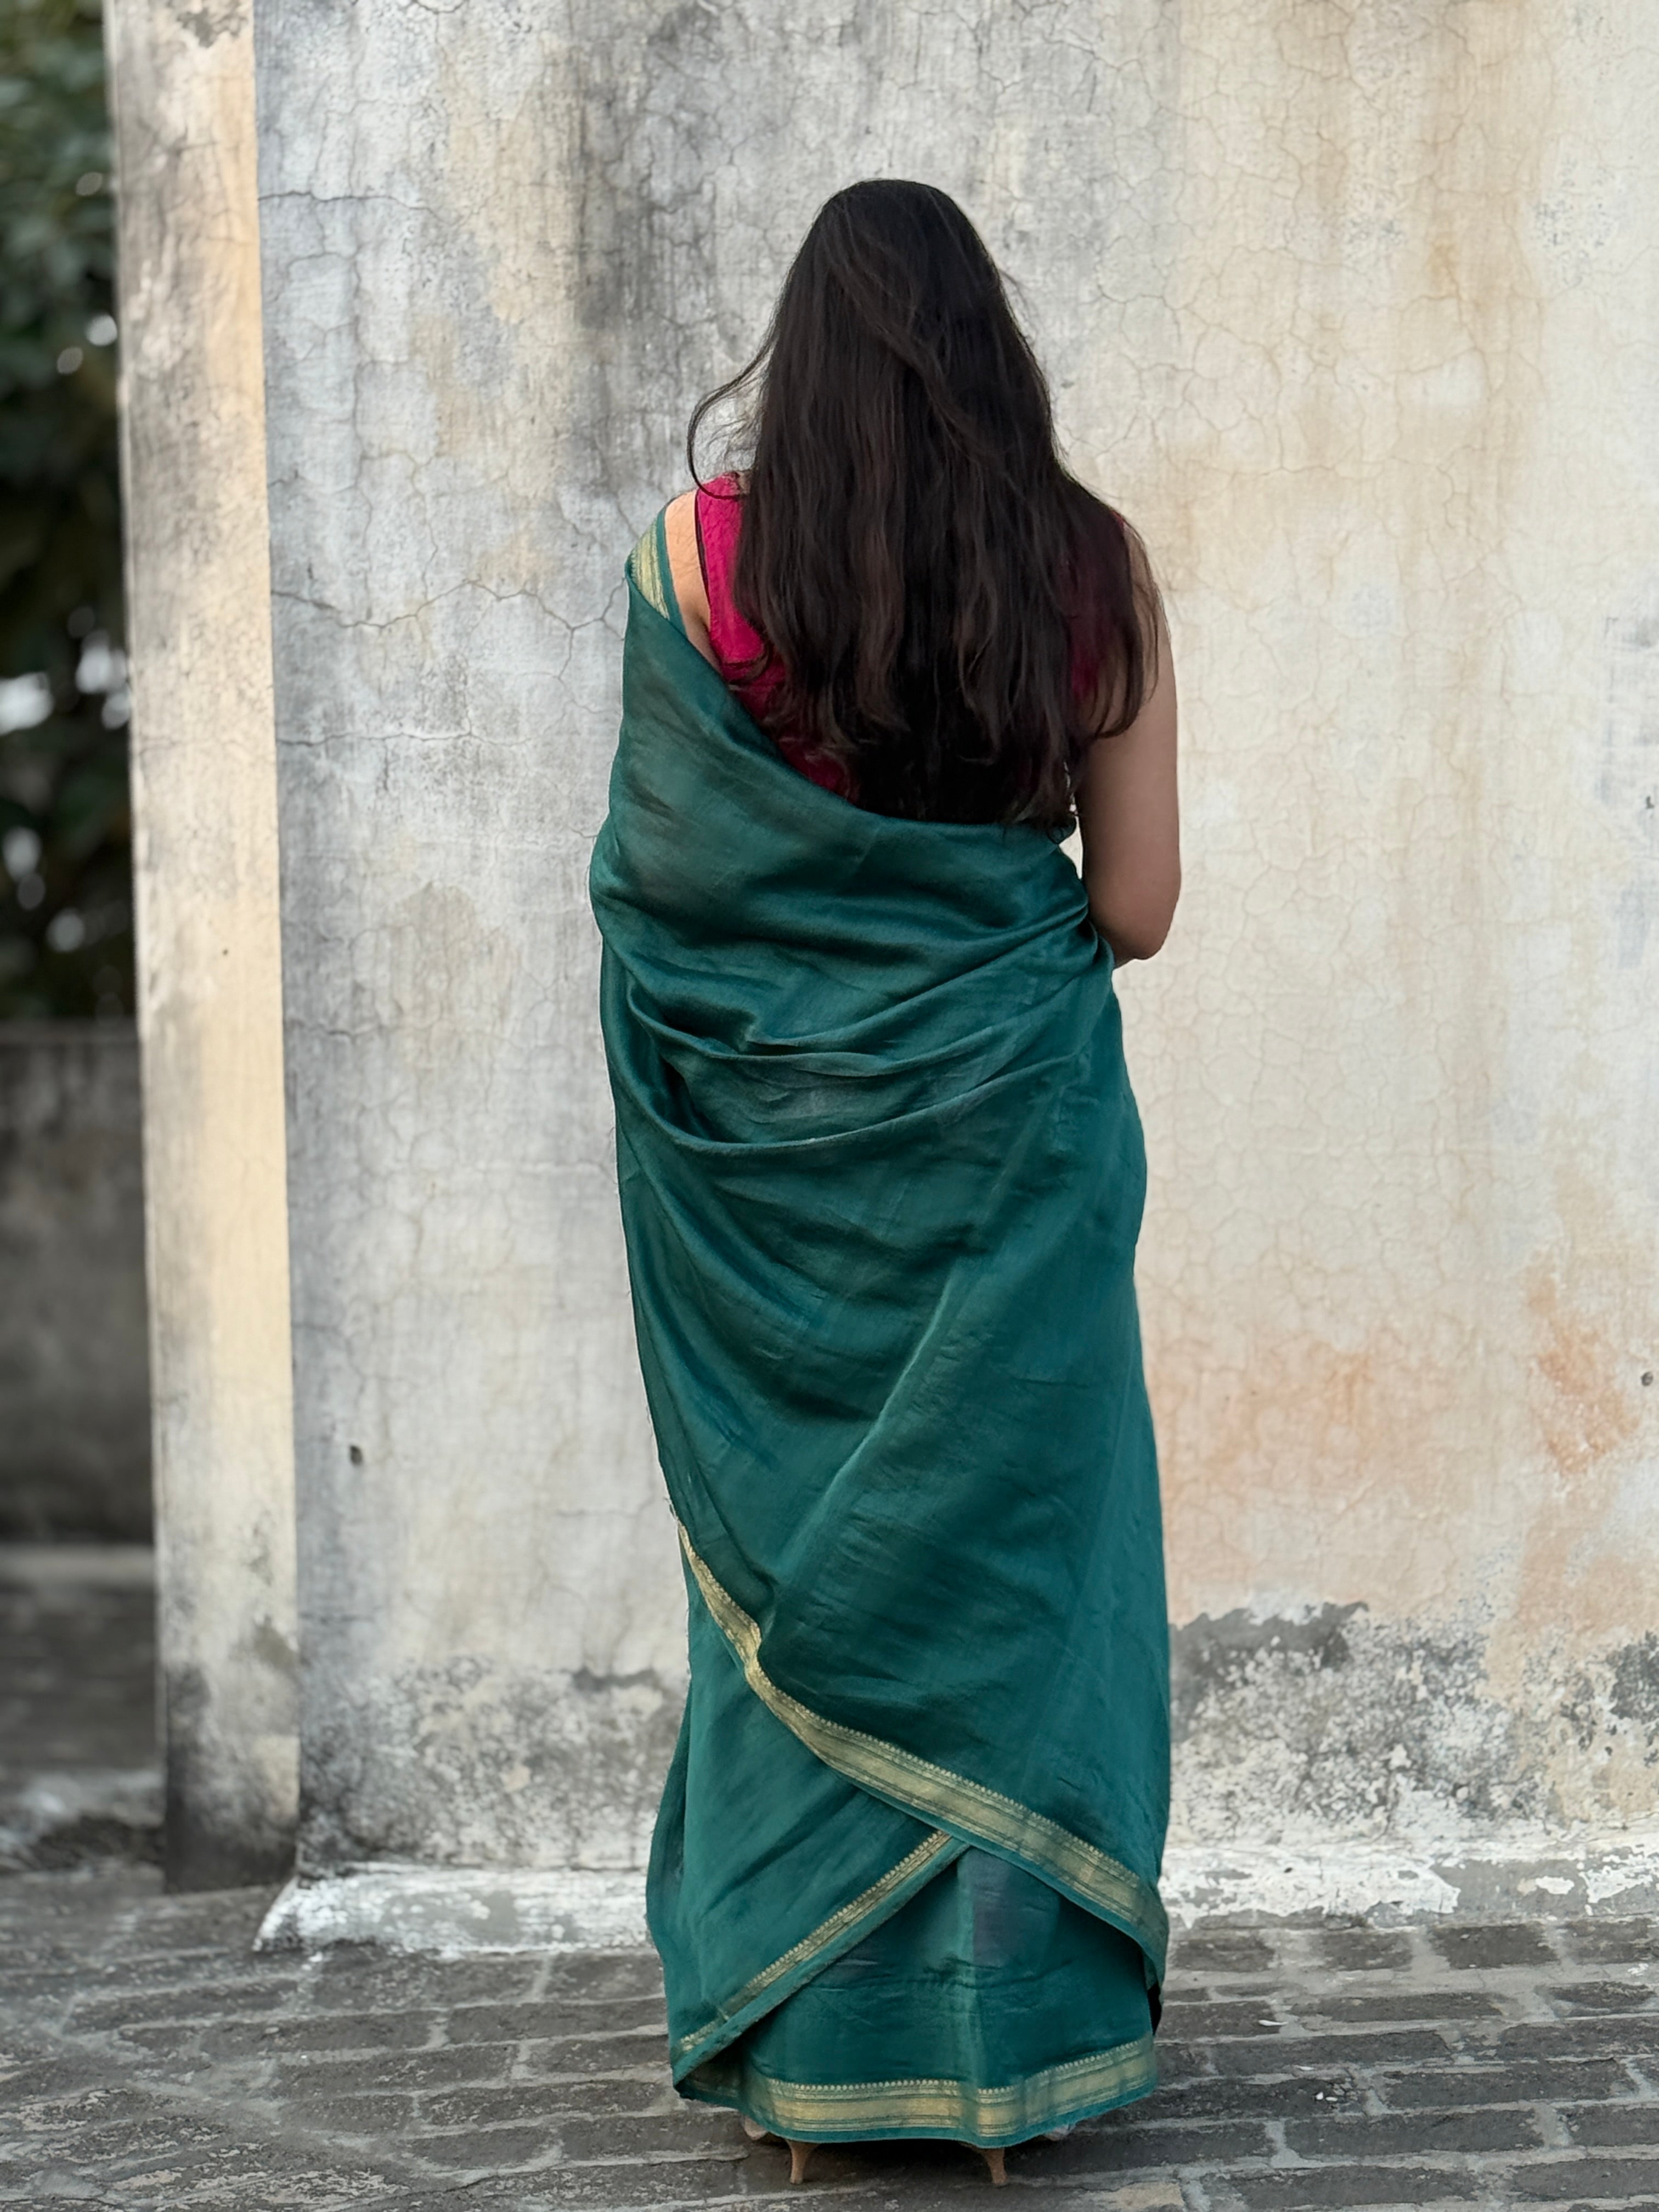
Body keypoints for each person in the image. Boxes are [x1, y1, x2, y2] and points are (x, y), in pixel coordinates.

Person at [589, 178, 1179, 2188]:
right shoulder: (1091, 568)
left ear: (802, 351)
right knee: (1018, 1600)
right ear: (990, 340)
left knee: (799, 1590)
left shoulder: (701, 563)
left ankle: (819, 2076)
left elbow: (667, 889)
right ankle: (1005, 2064)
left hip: (772, 1201)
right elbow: (1146, 907)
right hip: (1019, 1157)